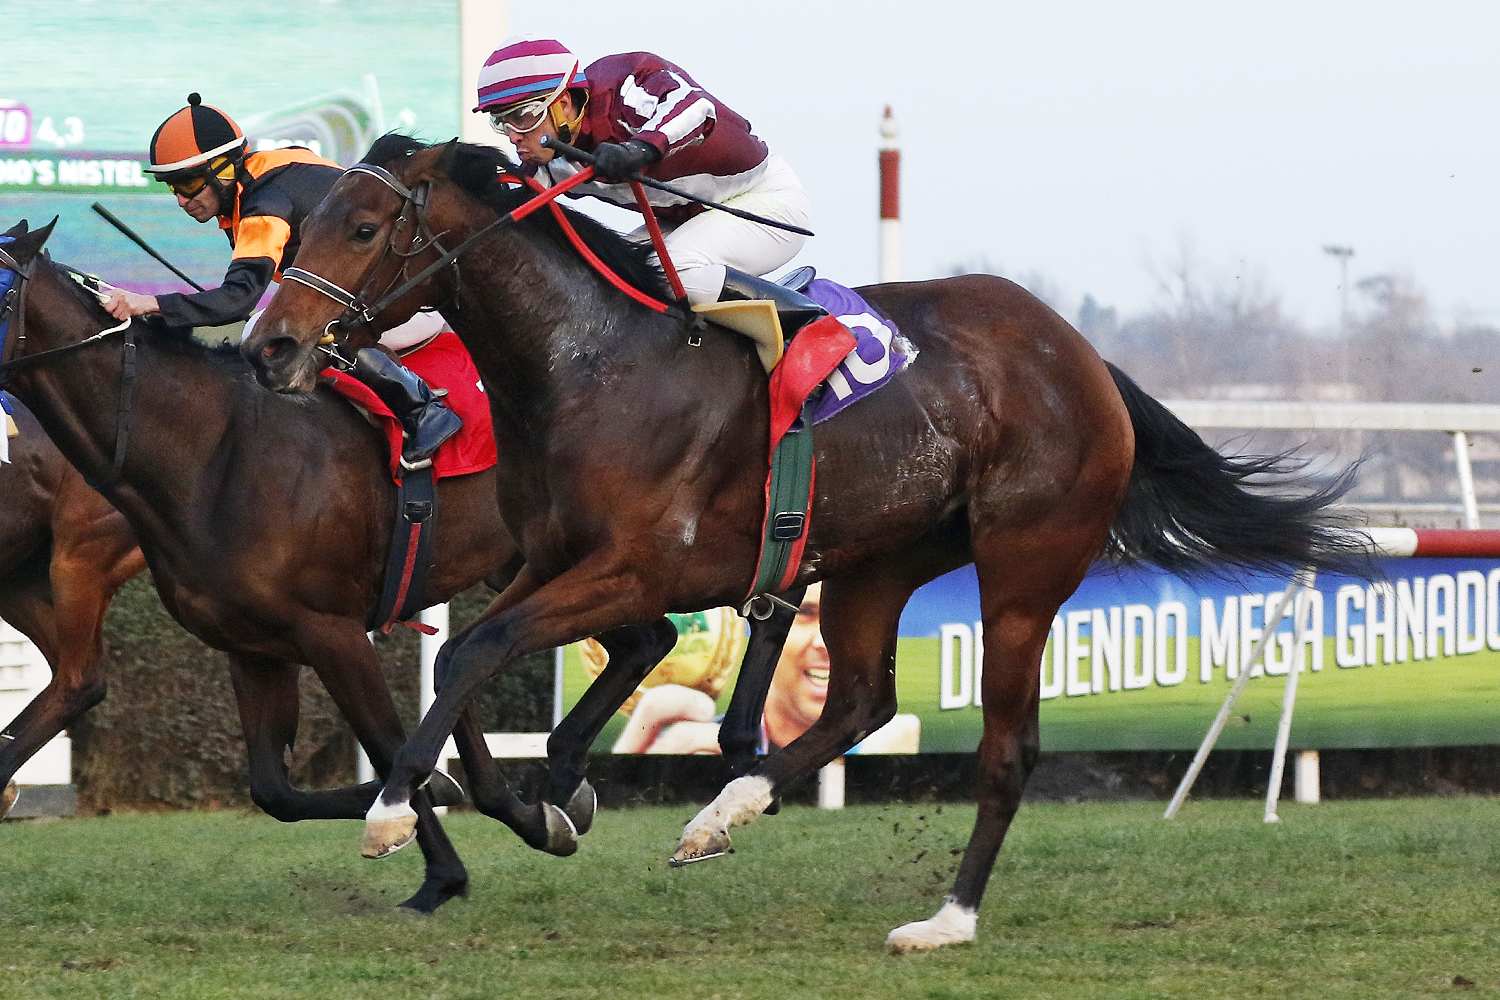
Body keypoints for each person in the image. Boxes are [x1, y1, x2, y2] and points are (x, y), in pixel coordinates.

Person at [101, 94, 461, 471]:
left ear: (224, 168)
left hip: (407, 308)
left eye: (188, 183)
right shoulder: (272, 168)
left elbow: (237, 300)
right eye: (172, 186)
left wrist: (149, 304)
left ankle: (422, 409)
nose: (181, 200)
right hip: (392, 298)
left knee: (262, 332)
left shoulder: (265, 206)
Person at [474, 36, 827, 335]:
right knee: (605, 277)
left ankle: (810, 324)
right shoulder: (551, 163)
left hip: (765, 201)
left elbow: (696, 107)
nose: (514, 136)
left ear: (563, 104)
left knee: (667, 271)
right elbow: (505, 209)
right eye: (501, 123)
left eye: (522, 116)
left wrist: (638, 149)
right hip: (690, 219)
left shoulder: (624, 87)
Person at [612, 583, 920, 754]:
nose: (825, 642)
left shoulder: (889, 741)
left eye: (848, 618)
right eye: (806, 614)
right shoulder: (701, 745)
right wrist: (637, 772)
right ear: (761, 624)